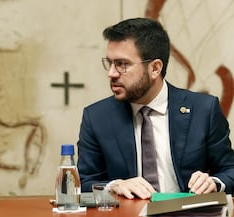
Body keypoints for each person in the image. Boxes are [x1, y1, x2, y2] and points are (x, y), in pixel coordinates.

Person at [77, 17, 234, 200]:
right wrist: (114, 185)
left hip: (188, 216)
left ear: (155, 68)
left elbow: (229, 170)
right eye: (110, 63)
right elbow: (84, 182)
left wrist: (213, 182)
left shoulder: (203, 110)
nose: (111, 73)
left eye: (122, 64)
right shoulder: (97, 117)